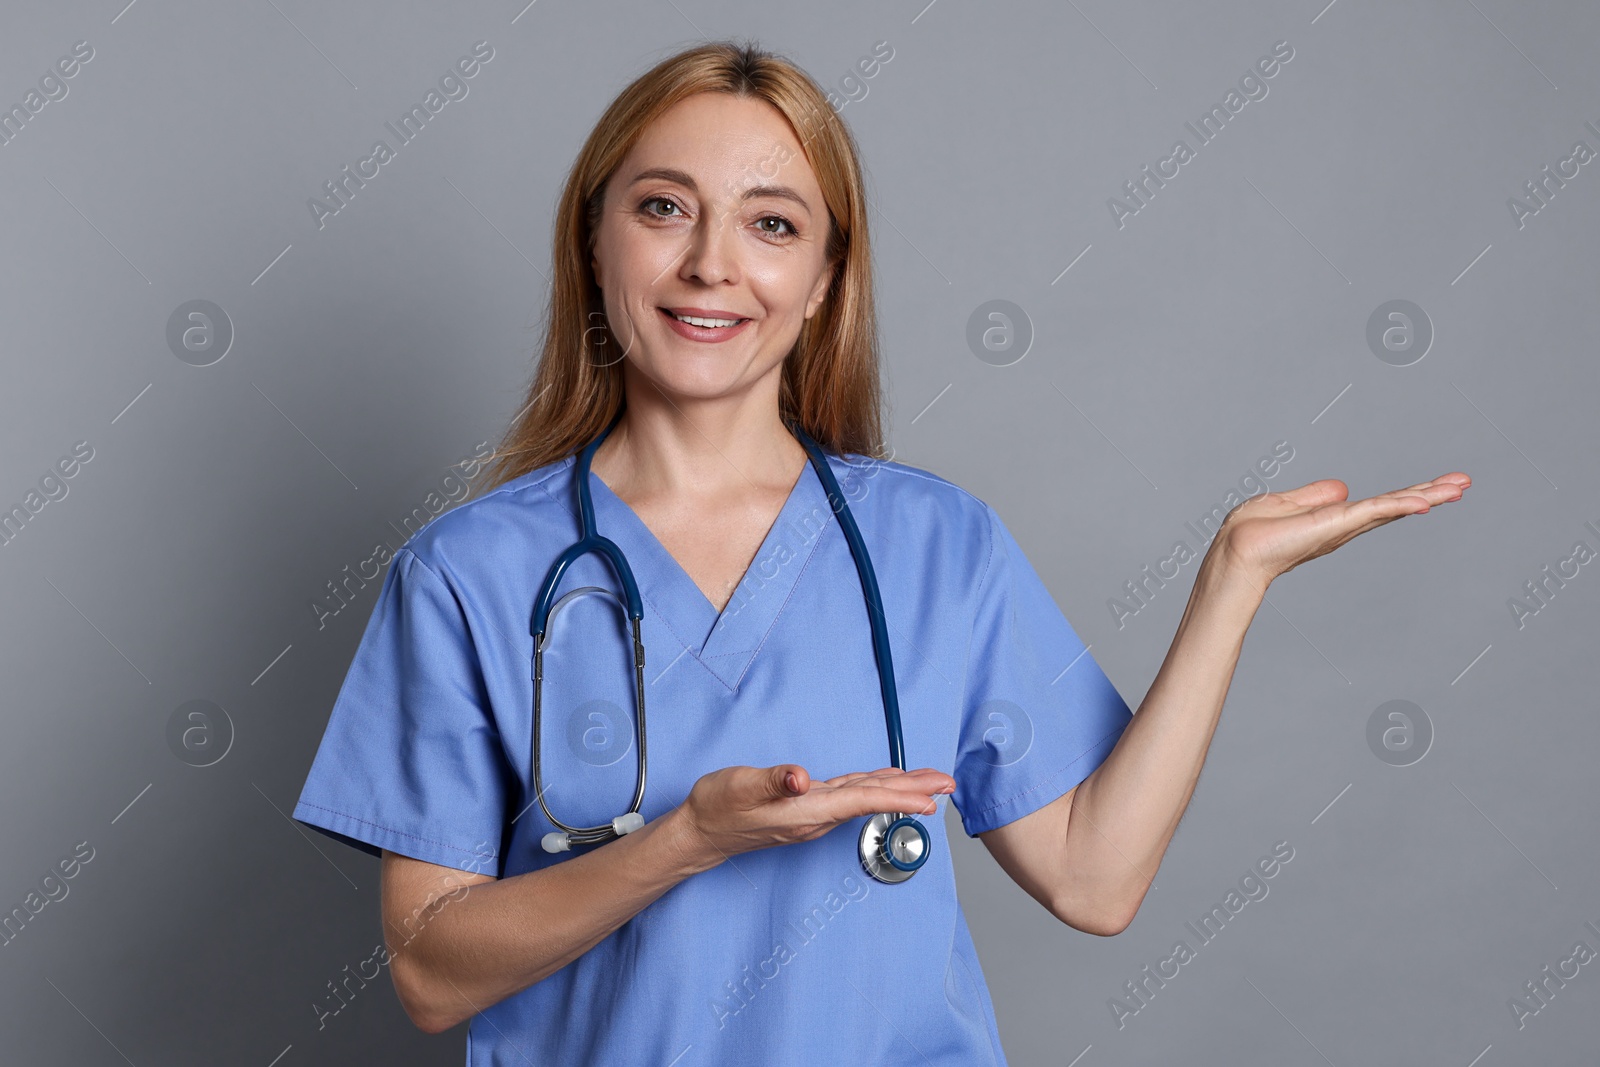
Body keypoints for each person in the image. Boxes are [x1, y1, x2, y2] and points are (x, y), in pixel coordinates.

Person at [291, 38, 1470, 1065]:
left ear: (821, 283)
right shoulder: (470, 572)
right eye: (662, 207)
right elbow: (431, 973)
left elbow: (1093, 878)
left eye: (770, 223)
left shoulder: (933, 544)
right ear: (593, 245)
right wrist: (687, 840)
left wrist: (1231, 584)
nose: (711, 262)